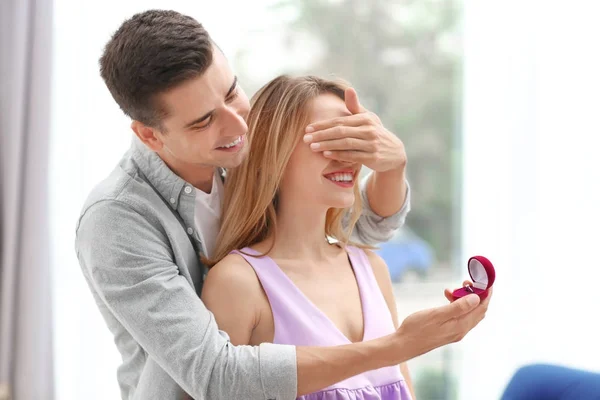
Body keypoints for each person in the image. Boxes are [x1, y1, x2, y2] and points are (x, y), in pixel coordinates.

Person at [75, 9, 490, 400]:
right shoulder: (117, 221)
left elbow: (361, 227)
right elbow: (216, 374)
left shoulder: (237, 149)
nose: (240, 125)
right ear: (151, 135)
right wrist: (397, 347)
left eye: (233, 91)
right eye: (204, 120)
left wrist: (391, 167)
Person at [202, 75, 417, 399]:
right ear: (274, 152)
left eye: (355, 141)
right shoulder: (238, 283)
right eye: (332, 140)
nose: (348, 157)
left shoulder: (372, 270)